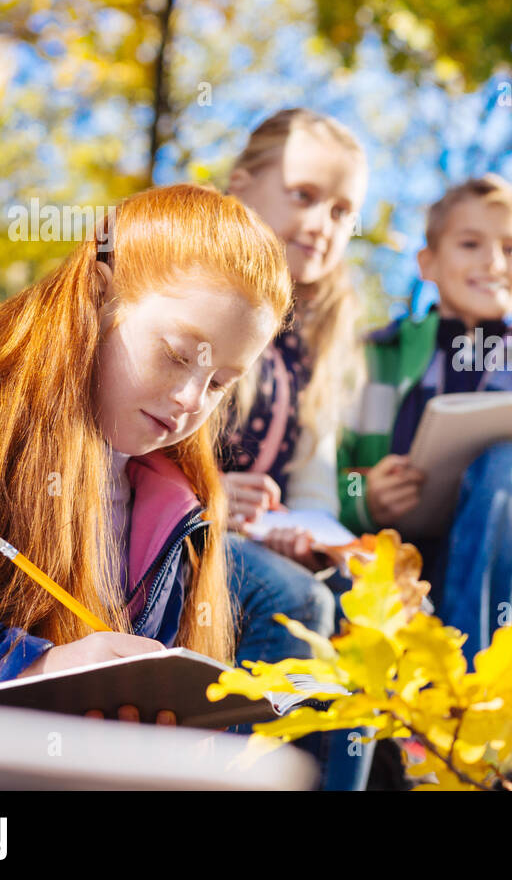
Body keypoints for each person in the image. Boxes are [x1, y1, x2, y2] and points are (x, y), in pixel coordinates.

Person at [0, 184, 290, 718]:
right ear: (98, 296)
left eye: (221, 382)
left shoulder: (180, 508)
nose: (190, 399)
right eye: (177, 355)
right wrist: (29, 668)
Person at [337, 175, 512, 653]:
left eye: (511, 249)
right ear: (427, 263)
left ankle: (464, 695)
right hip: (386, 595)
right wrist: (365, 497)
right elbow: (320, 481)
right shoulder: (371, 362)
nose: (493, 262)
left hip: (510, 614)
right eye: (471, 244)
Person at [220, 108, 373, 789]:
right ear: (241, 186)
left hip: (258, 537)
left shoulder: (316, 336)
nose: (322, 224)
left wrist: (306, 532)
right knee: (294, 601)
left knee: (371, 615)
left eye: (342, 211)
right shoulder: (199, 285)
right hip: (175, 529)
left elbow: (311, 484)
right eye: (304, 197)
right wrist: (209, 495)